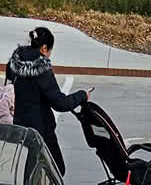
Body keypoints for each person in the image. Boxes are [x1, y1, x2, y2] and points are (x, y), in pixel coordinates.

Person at [5, 25, 89, 172]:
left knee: (29, 171)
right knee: (57, 170)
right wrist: (82, 95)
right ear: (44, 48)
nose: (49, 55)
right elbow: (60, 103)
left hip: (21, 128)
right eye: (50, 51)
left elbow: (10, 78)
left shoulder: (15, 62)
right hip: (41, 132)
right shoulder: (42, 70)